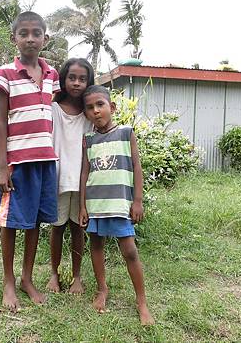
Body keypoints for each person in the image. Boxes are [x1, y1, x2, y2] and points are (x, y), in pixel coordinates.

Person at [0, 11, 61, 311]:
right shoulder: (6, 73)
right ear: (14, 38)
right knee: (10, 222)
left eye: (36, 33)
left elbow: (53, 114)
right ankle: (8, 281)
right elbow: (2, 121)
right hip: (17, 162)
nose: (30, 38)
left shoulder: (52, 75)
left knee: (34, 221)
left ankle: (27, 278)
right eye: (24, 33)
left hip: (45, 160)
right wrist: (2, 165)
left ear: (45, 38)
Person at [78, 85, 154, 326]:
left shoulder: (125, 132)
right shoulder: (88, 139)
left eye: (100, 105)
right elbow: (84, 173)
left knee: (129, 251)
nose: (95, 111)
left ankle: (141, 301)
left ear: (111, 107)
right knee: (96, 245)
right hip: (96, 203)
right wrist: (82, 206)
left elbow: (136, 167)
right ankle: (102, 289)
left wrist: (138, 200)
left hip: (119, 203)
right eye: (89, 108)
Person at [46, 58, 95, 295]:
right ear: (63, 79)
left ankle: (77, 277)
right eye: (72, 78)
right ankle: (54, 275)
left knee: (78, 228)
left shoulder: (90, 113)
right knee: (57, 228)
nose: (76, 83)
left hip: (84, 182)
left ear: (89, 82)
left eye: (82, 79)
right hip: (58, 177)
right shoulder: (53, 109)